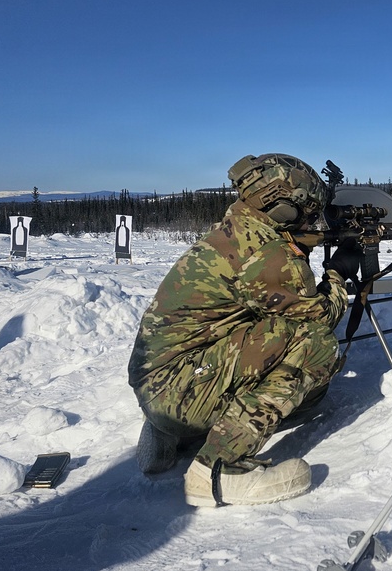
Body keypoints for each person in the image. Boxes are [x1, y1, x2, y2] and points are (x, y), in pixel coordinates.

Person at [127, 153, 363, 507]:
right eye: (309, 209)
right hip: (177, 389)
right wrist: (338, 273)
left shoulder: (240, 225)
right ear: (284, 209)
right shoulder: (268, 253)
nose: (316, 218)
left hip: (161, 380)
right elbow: (319, 318)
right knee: (315, 345)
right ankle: (220, 468)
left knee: (312, 395)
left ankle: (171, 434)